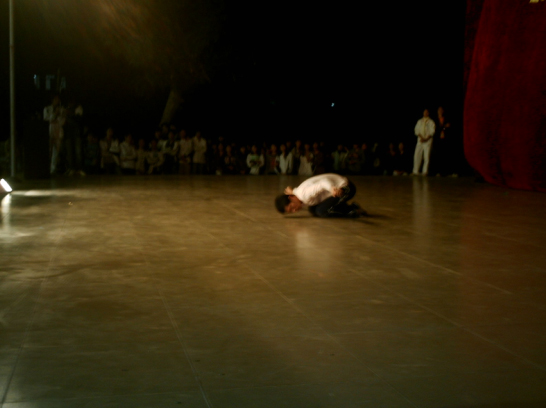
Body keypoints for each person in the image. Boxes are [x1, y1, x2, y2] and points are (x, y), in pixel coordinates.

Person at [274, 173, 366, 218]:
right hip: (338, 188)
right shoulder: (297, 194)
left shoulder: (304, 195)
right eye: (291, 211)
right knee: (313, 209)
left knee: (322, 211)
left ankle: (352, 211)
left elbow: (322, 183)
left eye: (291, 207)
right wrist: (293, 190)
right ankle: (352, 206)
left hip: (346, 188)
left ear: (291, 197)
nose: (294, 210)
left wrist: (332, 189)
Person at [43, 94, 66, 175]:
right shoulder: (47, 109)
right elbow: (46, 119)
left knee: (56, 151)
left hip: (58, 131)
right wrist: (55, 115)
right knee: (49, 150)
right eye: (56, 99)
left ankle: (53, 169)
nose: (57, 101)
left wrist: (57, 117)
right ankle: (46, 168)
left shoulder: (62, 109)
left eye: (58, 99)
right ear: (52, 100)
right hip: (50, 130)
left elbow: (63, 121)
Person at [412, 108, 436, 176]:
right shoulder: (419, 121)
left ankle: (425, 171)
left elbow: (432, 131)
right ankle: (415, 170)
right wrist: (421, 137)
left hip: (427, 141)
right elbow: (416, 130)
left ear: (428, 113)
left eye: (427, 112)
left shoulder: (431, 122)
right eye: (424, 112)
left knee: (426, 156)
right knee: (417, 155)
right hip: (420, 140)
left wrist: (425, 139)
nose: (425, 113)